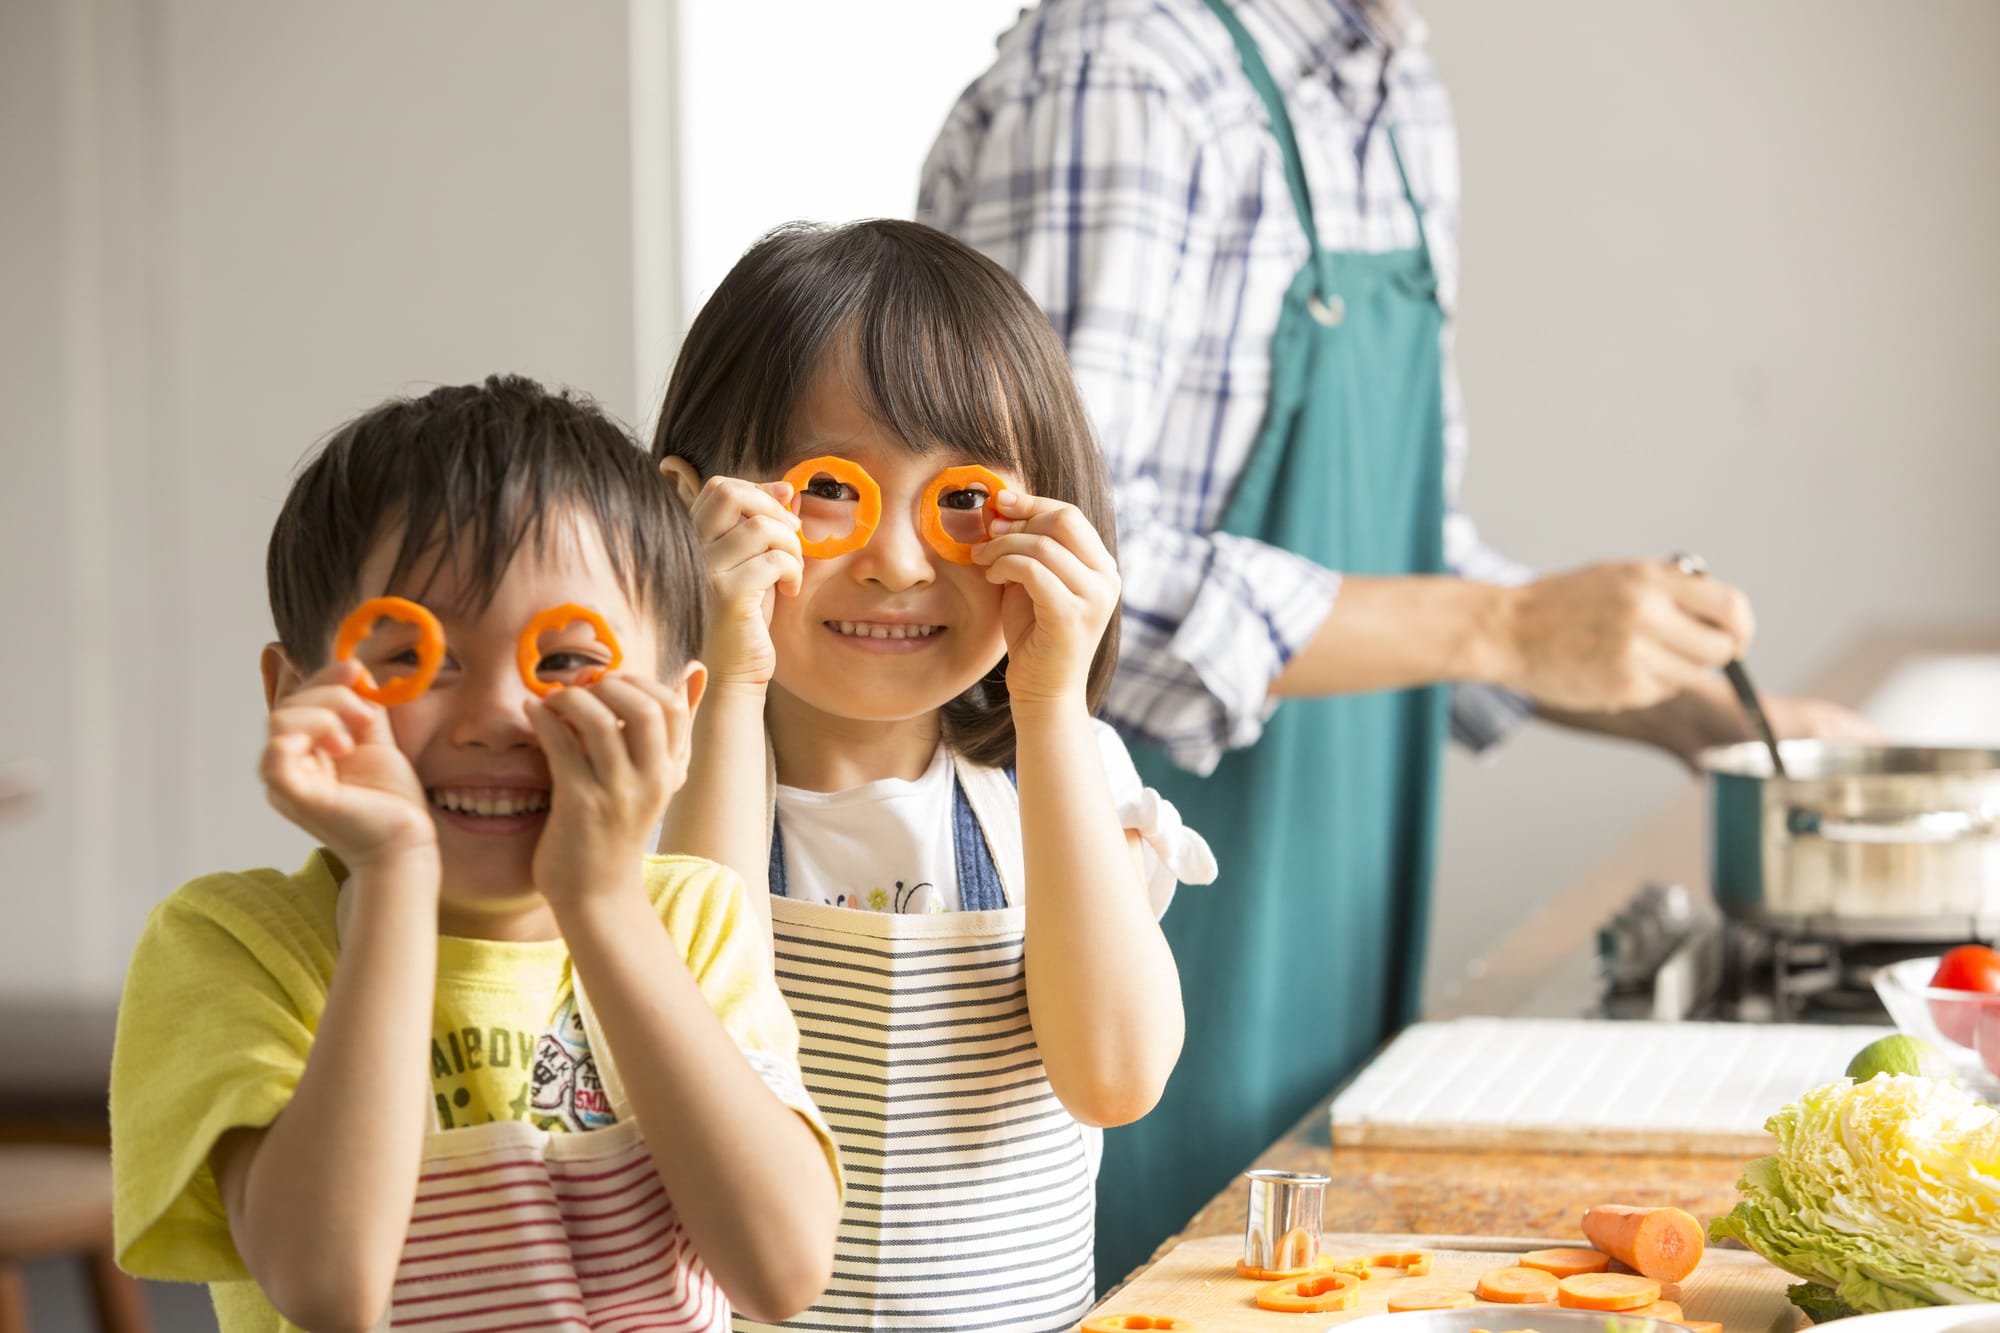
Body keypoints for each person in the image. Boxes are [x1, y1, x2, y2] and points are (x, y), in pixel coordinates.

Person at [917, 0, 1874, 1286]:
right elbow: (1040, 554)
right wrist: (1512, 626)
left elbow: (1401, 563)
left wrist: (1679, 706)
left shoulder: (1389, 93)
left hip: (1326, 901)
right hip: (1139, 919)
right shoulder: (1124, 71)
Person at [109, 376, 843, 1332]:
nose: (498, 716)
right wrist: (392, 879)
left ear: (680, 708)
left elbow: (782, 1270)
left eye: (567, 661)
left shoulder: (693, 918)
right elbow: (328, 1287)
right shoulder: (233, 944)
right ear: (296, 694)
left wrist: (605, 901)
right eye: (416, 657)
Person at [651, 219, 1216, 1330]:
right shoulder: (653, 781)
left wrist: (1052, 707)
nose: (898, 560)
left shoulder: (1058, 779)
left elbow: (1113, 1076)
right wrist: (732, 682)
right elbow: (681, 1078)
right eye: (829, 489)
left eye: (961, 499)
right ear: (693, 508)